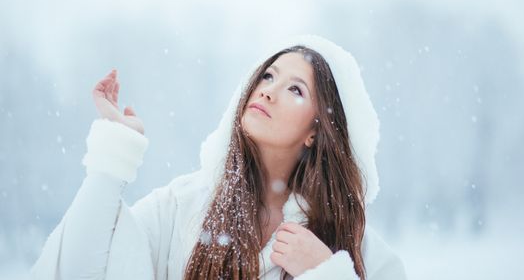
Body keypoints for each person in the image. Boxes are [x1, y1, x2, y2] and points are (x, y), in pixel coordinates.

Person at [30, 34, 407, 279]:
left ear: (316, 130)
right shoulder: (181, 208)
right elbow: (77, 268)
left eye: (295, 89)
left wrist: (326, 274)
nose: (268, 92)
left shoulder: (355, 249)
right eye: (268, 76)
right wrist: (114, 155)